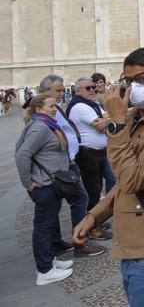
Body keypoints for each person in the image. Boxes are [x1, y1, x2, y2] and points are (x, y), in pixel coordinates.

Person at [73, 48, 144, 307]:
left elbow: (133, 178)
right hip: (133, 243)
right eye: (129, 80)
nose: (135, 87)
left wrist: (116, 124)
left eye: (143, 79)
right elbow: (126, 187)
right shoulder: (137, 117)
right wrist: (94, 216)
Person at [38, 75, 107, 257]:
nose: (62, 94)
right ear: (46, 91)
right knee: (80, 199)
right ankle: (80, 242)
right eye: (59, 90)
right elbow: (25, 152)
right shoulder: (41, 116)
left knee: (61, 204)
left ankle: (57, 241)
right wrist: (28, 181)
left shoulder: (54, 109)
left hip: (68, 162)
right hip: (61, 166)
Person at [15, 94, 74, 285]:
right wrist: (28, 182)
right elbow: (22, 154)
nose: (54, 109)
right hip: (44, 185)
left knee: (48, 224)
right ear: (39, 109)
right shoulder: (40, 127)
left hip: (50, 183)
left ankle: (49, 261)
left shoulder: (44, 124)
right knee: (44, 226)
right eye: (51, 106)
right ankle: (44, 270)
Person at [67, 78, 112, 241]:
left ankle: (95, 220)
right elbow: (101, 125)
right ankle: (91, 227)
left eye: (93, 87)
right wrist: (107, 118)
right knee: (92, 189)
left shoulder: (92, 104)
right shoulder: (79, 106)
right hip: (88, 154)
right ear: (78, 91)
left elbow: (105, 117)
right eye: (88, 88)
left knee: (97, 186)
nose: (92, 90)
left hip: (98, 152)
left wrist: (106, 118)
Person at [91, 72, 117, 196]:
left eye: (101, 82)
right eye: (96, 83)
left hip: (111, 129)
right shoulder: (94, 98)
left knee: (110, 171)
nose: (99, 84)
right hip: (103, 131)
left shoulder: (108, 93)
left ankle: (111, 195)